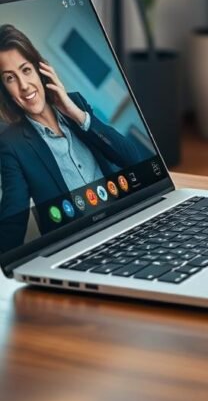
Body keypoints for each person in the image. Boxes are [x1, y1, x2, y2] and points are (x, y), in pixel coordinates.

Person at [0, 24, 151, 251]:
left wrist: (76, 114)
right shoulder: (12, 144)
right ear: (4, 89)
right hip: (77, 246)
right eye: (10, 78)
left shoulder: (77, 104)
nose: (24, 86)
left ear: (40, 70)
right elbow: (13, 220)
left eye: (26, 70)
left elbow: (134, 159)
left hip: (127, 221)